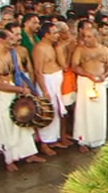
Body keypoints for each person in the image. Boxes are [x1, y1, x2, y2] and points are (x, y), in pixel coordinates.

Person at [0, 29, 45, 171]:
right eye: (11, 38)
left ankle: (29, 154)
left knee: (24, 121)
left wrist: (25, 90)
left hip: (17, 90)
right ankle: (9, 159)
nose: (15, 41)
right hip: (2, 94)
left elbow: (21, 73)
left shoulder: (14, 54)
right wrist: (19, 90)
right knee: (7, 125)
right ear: (1, 40)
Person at [71, 29, 108, 153]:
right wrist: (89, 75)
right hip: (85, 82)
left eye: (89, 37)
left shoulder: (105, 50)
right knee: (83, 111)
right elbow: (75, 66)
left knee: (99, 111)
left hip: (100, 82)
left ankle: (98, 138)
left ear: (96, 37)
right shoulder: (80, 50)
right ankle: (82, 140)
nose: (85, 39)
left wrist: (105, 75)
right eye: (84, 36)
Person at [33, 22, 68, 155]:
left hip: (55, 81)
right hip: (46, 83)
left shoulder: (52, 46)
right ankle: (44, 143)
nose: (57, 35)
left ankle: (52, 139)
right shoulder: (39, 48)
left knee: (56, 111)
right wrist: (44, 90)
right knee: (46, 112)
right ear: (46, 34)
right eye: (54, 33)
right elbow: (38, 71)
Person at [55, 21, 77, 146]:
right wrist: (69, 51)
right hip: (64, 80)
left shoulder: (69, 42)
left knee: (70, 108)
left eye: (68, 31)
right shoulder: (59, 47)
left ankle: (66, 133)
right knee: (63, 110)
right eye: (65, 32)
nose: (68, 34)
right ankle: (62, 136)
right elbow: (64, 66)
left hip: (71, 78)